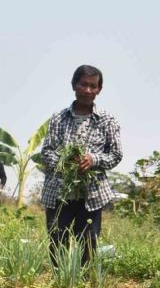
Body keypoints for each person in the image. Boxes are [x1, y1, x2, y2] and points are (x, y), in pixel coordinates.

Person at [40, 65, 123, 266]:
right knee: (58, 241)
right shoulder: (58, 118)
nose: (88, 90)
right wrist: (64, 163)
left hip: (91, 195)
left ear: (99, 89)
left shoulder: (107, 120)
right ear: (74, 86)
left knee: (89, 242)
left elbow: (116, 154)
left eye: (93, 86)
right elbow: (46, 151)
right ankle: (61, 285)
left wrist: (93, 160)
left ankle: (85, 287)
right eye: (83, 84)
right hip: (59, 192)